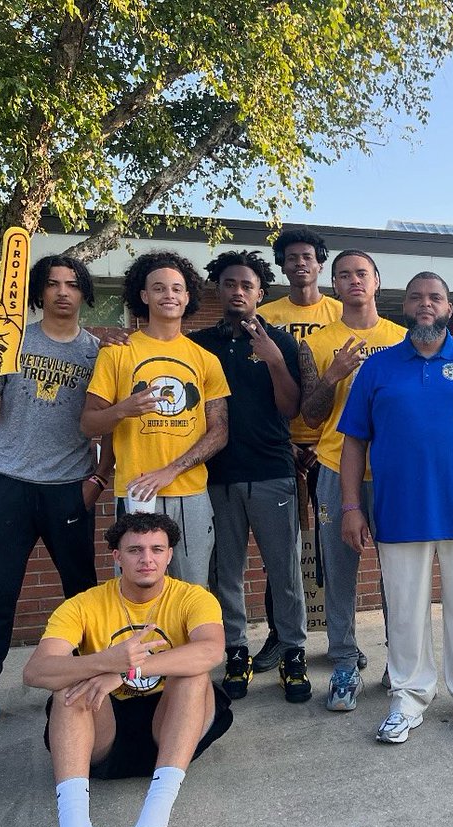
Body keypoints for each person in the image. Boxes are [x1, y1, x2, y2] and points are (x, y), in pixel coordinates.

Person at [339, 272, 453, 744]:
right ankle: (408, 696)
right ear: (403, 306)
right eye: (417, 297)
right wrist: (350, 506)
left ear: (448, 308)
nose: (426, 304)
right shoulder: (378, 368)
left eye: (436, 297)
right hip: (401, 512)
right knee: (404, 611)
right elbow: (354, 442)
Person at [0, 256, 114, 742]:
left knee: (82, 593)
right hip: (9, 484)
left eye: (72, 284)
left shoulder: (96, 352)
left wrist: (99, 480)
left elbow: (110, 424)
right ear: (38, 293)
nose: (63, 292)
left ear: (84, 293)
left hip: (69, 488)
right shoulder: (13, 341)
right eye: (53, 284)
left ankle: (89, 681)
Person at [23, 512, 230, 827]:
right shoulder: (83, 605)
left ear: (169, 556)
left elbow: (211, 651)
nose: (146, 558)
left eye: (156, 549)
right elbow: (36, 671)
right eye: (134, 550)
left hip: (169, 733)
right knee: (67, 683)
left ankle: (151, 825)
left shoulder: (193, 598)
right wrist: (105, 662)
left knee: (193, 674)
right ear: (116, 556)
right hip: (103, 736)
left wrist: (126, 670)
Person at [189, 250, 311, 703]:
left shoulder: (281, 340)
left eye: (247, 286)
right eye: (229, 284)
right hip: (217, 474)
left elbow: (291, 408)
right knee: (227, 572)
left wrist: (274, 360)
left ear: (261, 292)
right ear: (217, 290)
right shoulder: (198, 345)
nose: (238, 292)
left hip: (272, 471)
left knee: (284, 570)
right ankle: (235, 650)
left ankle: (293, 651)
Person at [298, 249, 407, 711]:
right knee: (339, 572)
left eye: (361, 273)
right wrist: (334, 376)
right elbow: (310, 412)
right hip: (333, 467)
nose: (353, 281)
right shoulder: (318, 343)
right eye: (344, 275)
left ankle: (400, 660)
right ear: (334, 285)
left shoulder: (404, 339)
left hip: (395, 472)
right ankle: (344, 660)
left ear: (377, 281)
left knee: (399, 574)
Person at [81, 251, 230, 586]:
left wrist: (171, 470)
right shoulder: (117, 352)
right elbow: (89, 423)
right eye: (159, 288)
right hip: (137, 493)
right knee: (139, 590)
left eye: (177, 289)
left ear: (188, 296)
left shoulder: (206, 359)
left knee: (193, 590)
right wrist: (123, 410)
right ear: (144, 296)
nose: (169, 295)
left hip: (191, 491)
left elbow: (219, 431)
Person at [254, 227, 343, 672]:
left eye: (307, 256)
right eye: (291, 257)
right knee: (281, 548)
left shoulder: (342, 313)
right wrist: (285, 438)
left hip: (332, 449)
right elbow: (256, 387)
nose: (300, 263)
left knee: (335, 546)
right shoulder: (265, 315)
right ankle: (280, 635)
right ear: (282, 265)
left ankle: (341, 638)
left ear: (320, 262)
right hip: (280, 448)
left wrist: (322, 439)